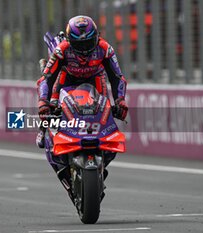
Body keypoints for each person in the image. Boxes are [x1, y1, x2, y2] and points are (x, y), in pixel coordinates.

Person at [36, 15, 128, 200]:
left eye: (89, 43)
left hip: (95, 79)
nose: (85, 50)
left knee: (107, 116)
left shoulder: (105, 49)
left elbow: (117, 77)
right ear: (70, 41)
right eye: (80, 45)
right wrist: (43, 102)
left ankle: (101, 164)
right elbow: (46, 78)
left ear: (97, 37)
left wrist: (120, 101)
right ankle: (45, 130)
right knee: (51, 110)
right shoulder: (62, 50)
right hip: (65, 79)